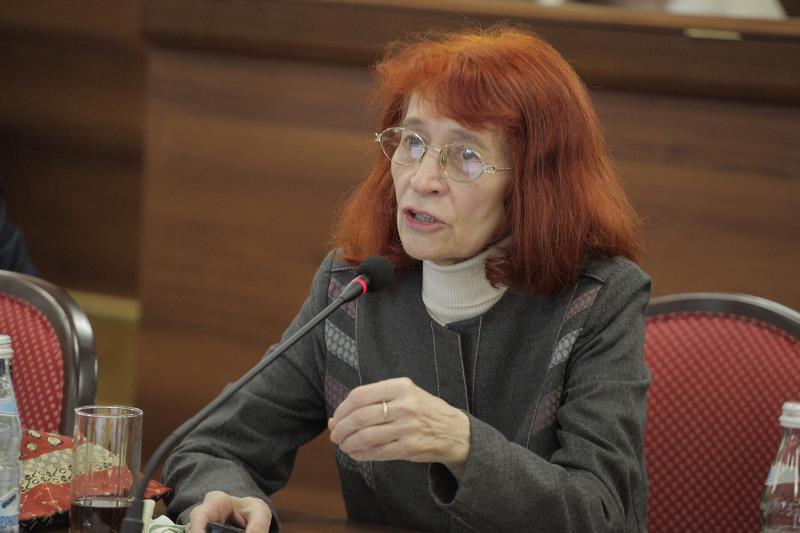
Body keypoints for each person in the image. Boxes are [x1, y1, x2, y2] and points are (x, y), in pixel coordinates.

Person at [163, 26, 650, 533]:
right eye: (413, 143)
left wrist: (462, 443)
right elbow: (211, 448)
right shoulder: (352, 290)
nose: (421, 179)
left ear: (533, 183)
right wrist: (231, 496)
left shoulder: (598, 300)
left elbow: (603, 514)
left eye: (465, 155)